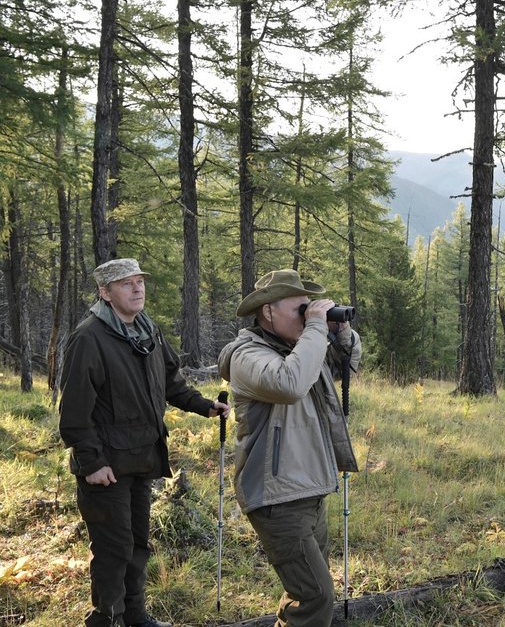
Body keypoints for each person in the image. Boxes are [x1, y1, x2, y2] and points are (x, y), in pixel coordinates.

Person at [58, 258, 231, 627]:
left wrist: (204, 406)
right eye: (126, 284)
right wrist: (92, 463)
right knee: (113, 549)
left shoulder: (147, 330)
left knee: (137, 544)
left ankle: (135, 616)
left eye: (139, 281)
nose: (138, 289)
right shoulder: (89, 337)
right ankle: (107, 619)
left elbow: (171, 382)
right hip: (107, 467)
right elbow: (73, 414)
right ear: (105, 292)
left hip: (143, 458)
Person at [218, 269, 361, 627]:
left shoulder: (299, 349)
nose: (308, 315)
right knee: (316, 595)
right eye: (300, 309)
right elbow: (290, 383)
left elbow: (347, 366)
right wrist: (314, 329)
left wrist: (340, 333)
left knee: (303, 590)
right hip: (276, 496)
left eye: (310, 309)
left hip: (310, 486)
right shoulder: (246, 356)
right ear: (267, 311)